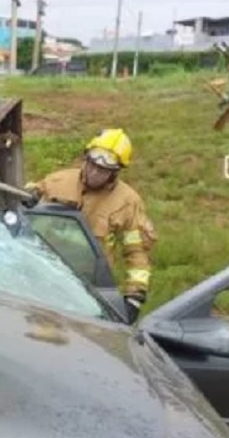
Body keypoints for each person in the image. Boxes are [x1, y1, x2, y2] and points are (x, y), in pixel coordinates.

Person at [23, 128, 155, 323]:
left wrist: (134, 297)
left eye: (102, 170)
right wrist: (29, 197)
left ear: (115, 171)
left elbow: (137, 253)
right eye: (91, 164)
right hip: (41, 272)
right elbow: (21, 204)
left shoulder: (128, 202)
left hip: (86, 287)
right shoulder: (57, 181)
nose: (94, 172)